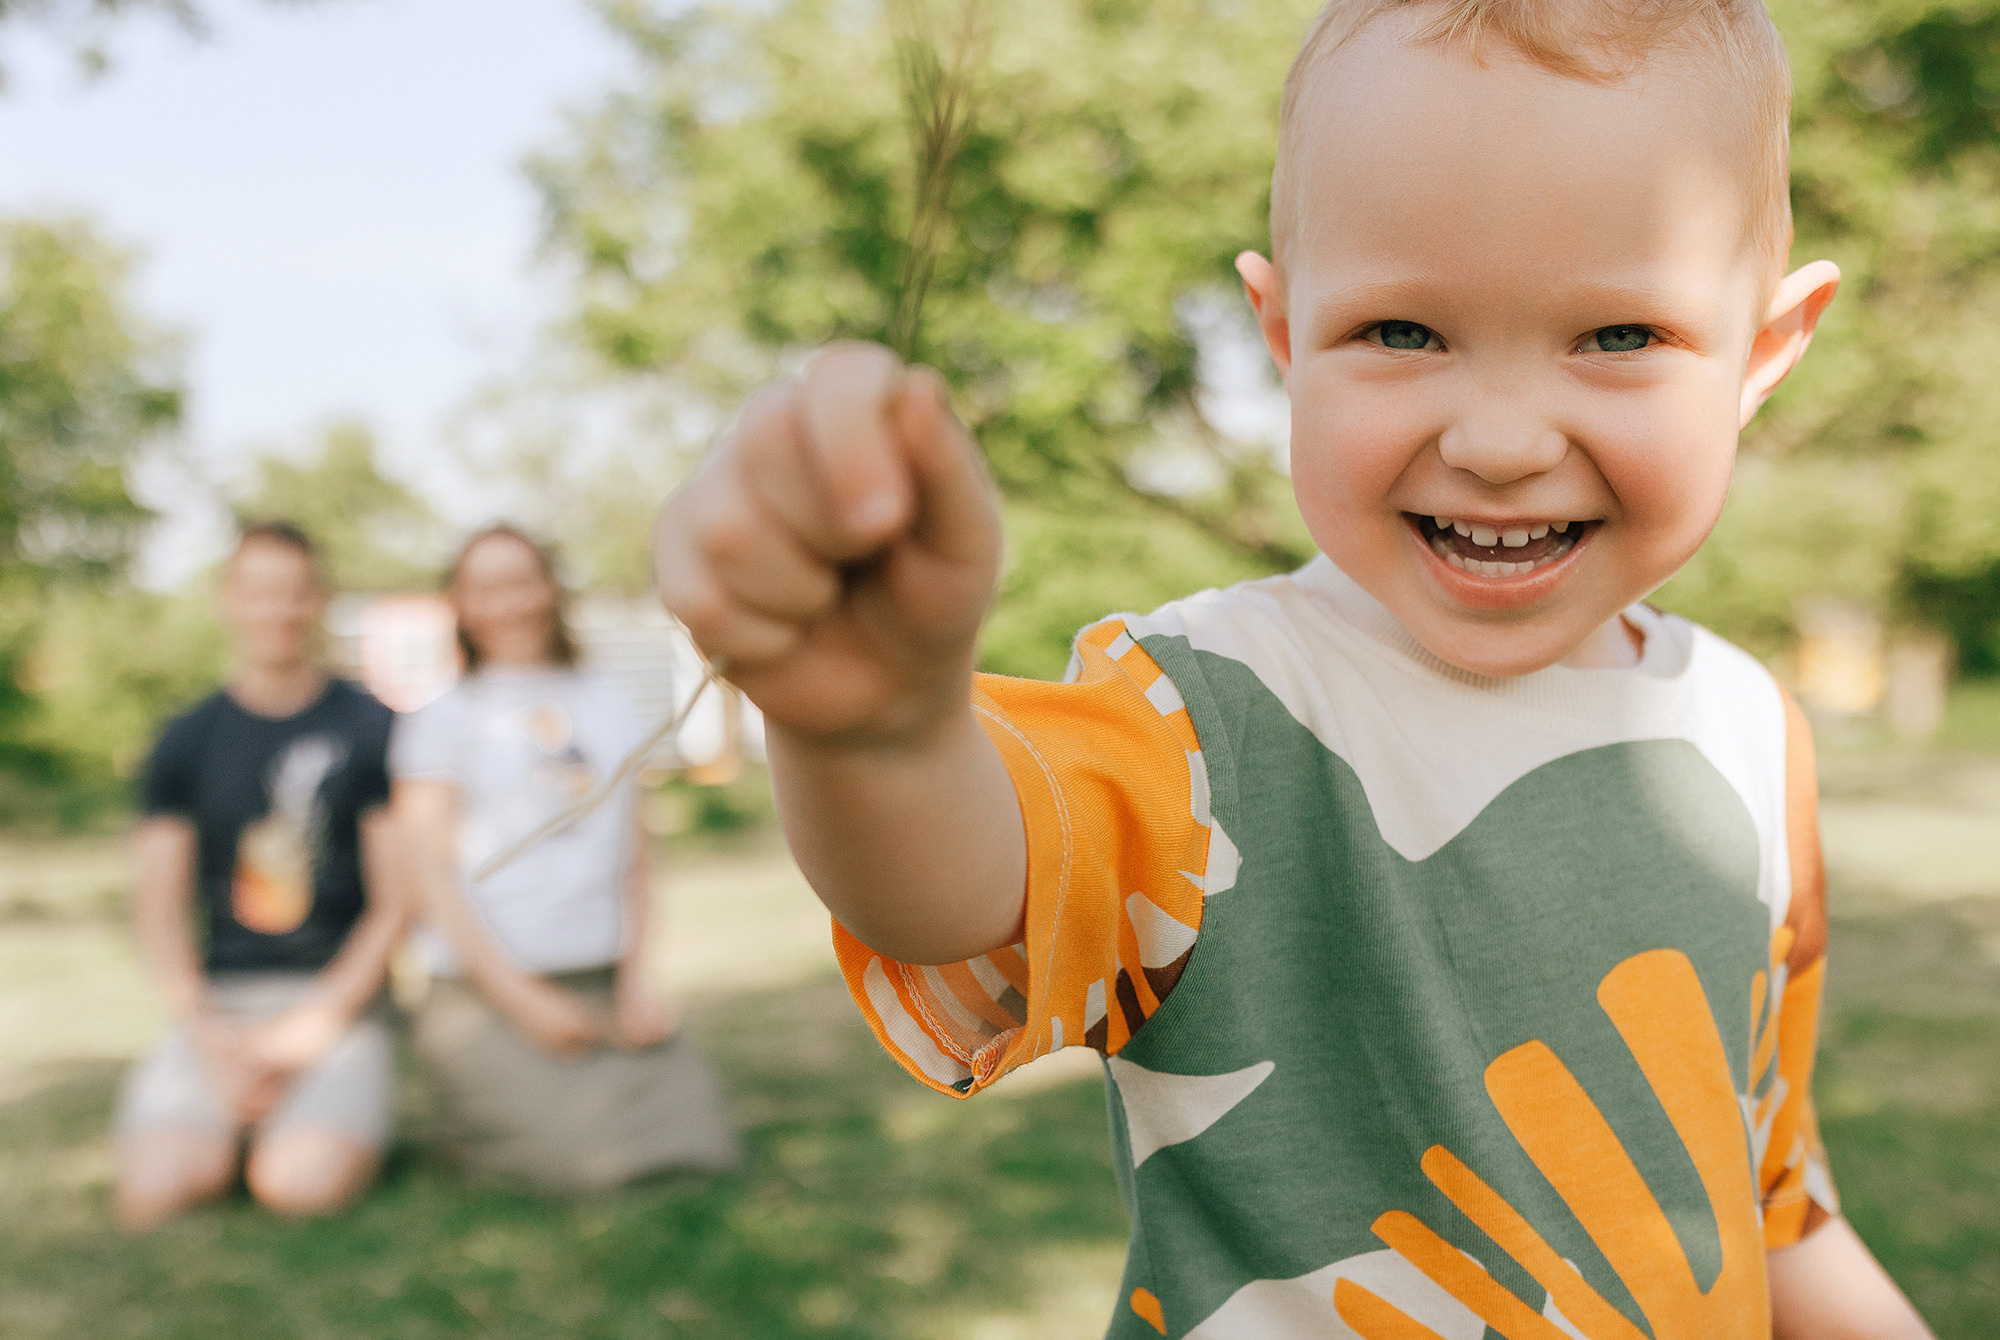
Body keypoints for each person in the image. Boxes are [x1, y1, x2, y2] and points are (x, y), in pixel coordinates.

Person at [650, 1, 1940, 1336]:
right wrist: (883, 740)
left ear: (1765, 351)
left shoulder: (1745, 731)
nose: (1499, 440)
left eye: (1619, 338)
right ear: (1281, 332)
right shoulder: (1204, 711)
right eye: (1401, 332)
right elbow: (968, 897)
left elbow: (1766, 1189)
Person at [392, 524, 738, 1194]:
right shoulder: (442, 718)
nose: (508, 601)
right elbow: (430, 878)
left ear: (549, 589)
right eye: (485, 586)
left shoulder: (604, 700)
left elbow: (635, 856)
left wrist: (637, 982)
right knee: (590, 1166)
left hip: (599, 978)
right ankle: (486, 1125)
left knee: (702, 1146)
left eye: (521, 579)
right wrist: (525, 1004)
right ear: (459, 605)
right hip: (483, 990)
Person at [116, 522, 403, 1229]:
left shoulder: (373, 727)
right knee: (155, 1192)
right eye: (260, 592)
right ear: (230, 600)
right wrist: (209, 1037)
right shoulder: (184, 739)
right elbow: (159, 910)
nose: (278, 610)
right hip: (223, 1005)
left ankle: (291, 1131)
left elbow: (398, 904)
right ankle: (224, 1127)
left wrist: (318, 1023)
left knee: (297, 1188)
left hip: (337, 1007)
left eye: (295, 593)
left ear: (319, 602)